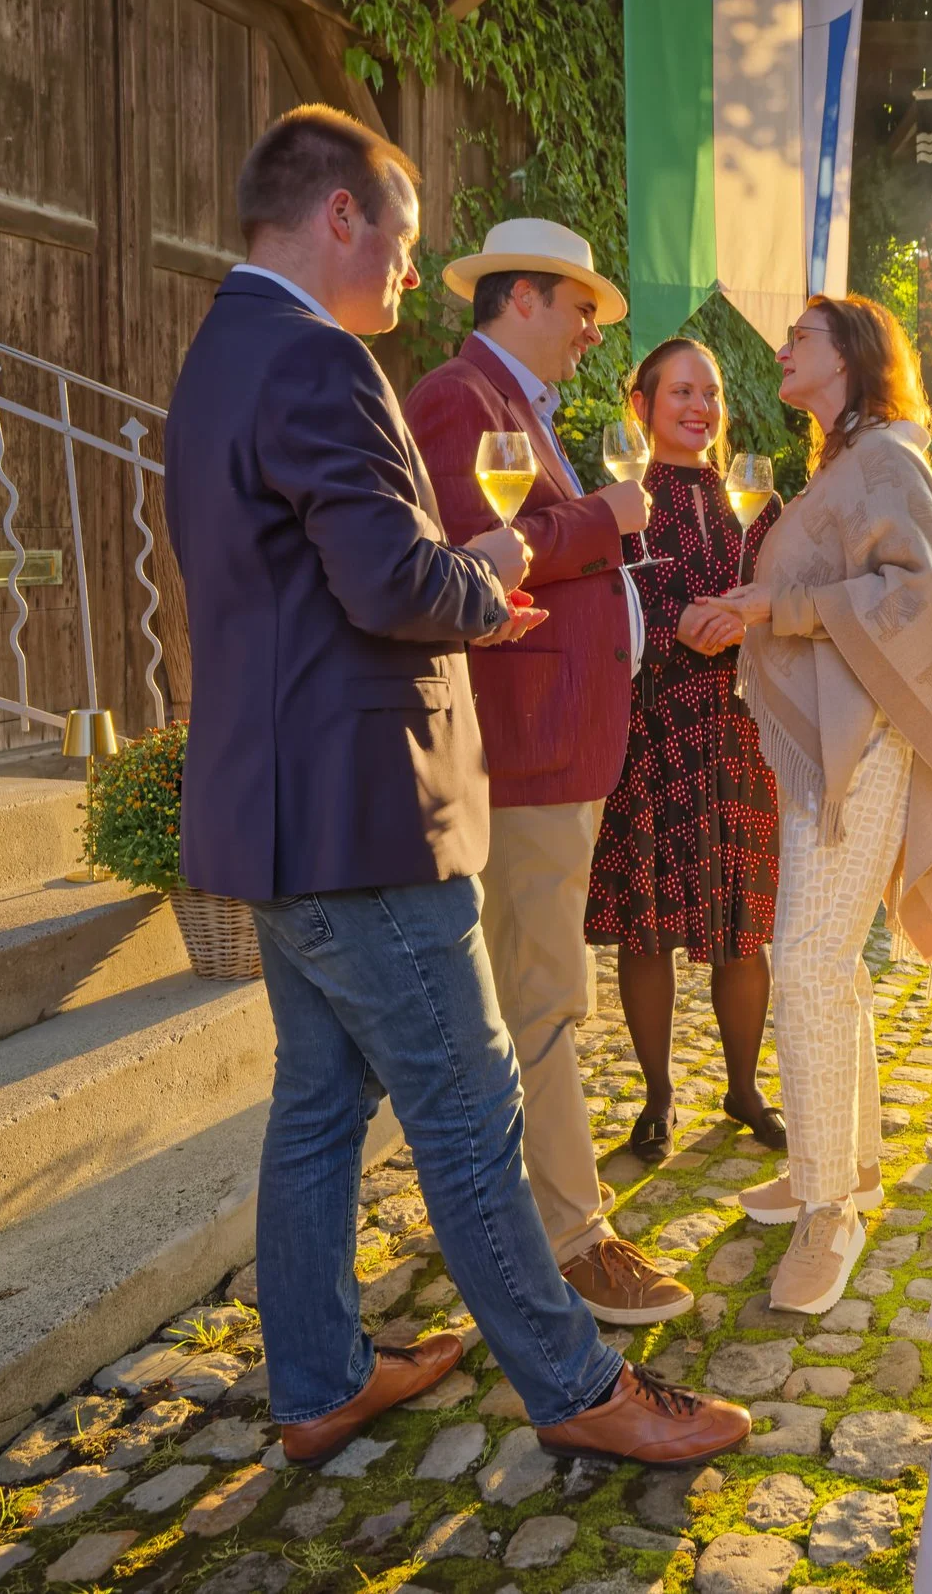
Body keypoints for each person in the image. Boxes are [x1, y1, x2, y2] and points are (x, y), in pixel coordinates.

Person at [164, 106, 745, 1464]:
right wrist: (489, 582)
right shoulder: (319, 360)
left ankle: (315, 1378)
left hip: (276, 801)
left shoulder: (220, 352)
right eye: (408, 244)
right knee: (474, 1101)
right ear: (343, 216)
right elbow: (390, 578)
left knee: (318, 1100)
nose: (414, 280)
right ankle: (580, 1385)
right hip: (364, 806)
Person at [400, 219, 691, 1327]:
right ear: (523, 297)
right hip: (521, 742)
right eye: (580, 310)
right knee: (542, 1000)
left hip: (558, 740)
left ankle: (521, 1219)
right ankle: (573, 1241)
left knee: (534, 996)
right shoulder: (458, 399)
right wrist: (612, 520)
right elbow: (481, 550)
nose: (589, 332)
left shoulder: (518, 408)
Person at [715, 294, 932, 1316]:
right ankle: (845, 1169)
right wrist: (752, 611)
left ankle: (828, 1210)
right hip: (834, 748)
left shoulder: (887, 462)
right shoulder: (848, 461)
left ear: (849, 357)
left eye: (800, 336)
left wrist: (774, 605)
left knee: (808, 962)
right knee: (824, 966)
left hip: (866, 748)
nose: (782, 347)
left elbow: (911, 599)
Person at [585, 338, 786, 1164]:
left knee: (745, 928)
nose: (700, 406)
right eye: (681, 391)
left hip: (739, 732)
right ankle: (659, 1097)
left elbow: (783, 594)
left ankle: (743, 1088)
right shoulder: (618, 501)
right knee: (648, 928)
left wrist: (750, 617)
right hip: (652, 729)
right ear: (642, 404)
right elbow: (607, 607)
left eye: (710, 393)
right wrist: (678, 627)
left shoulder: (755, 497)